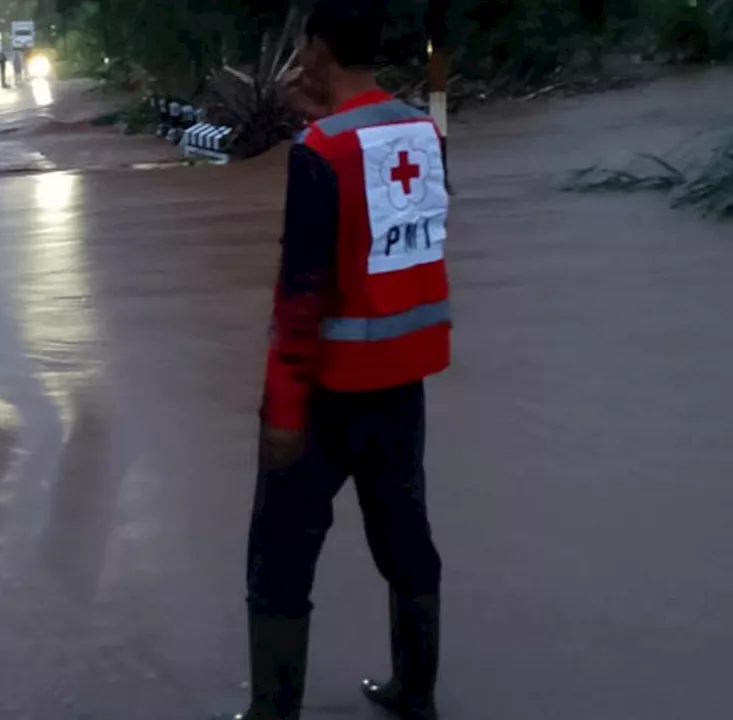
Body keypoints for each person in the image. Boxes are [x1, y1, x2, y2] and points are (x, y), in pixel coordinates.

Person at [241, 1, 450, 719]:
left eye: (305, 49)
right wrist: (316, 114)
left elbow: (300, 297)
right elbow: (399, 234)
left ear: (319, 49)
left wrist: (282, 410)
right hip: (404, 383)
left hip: (329, 391)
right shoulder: (424, 131)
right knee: (405, 536)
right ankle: (415, 694)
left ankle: (273, 713)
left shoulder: (320, 152)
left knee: (278, 553)